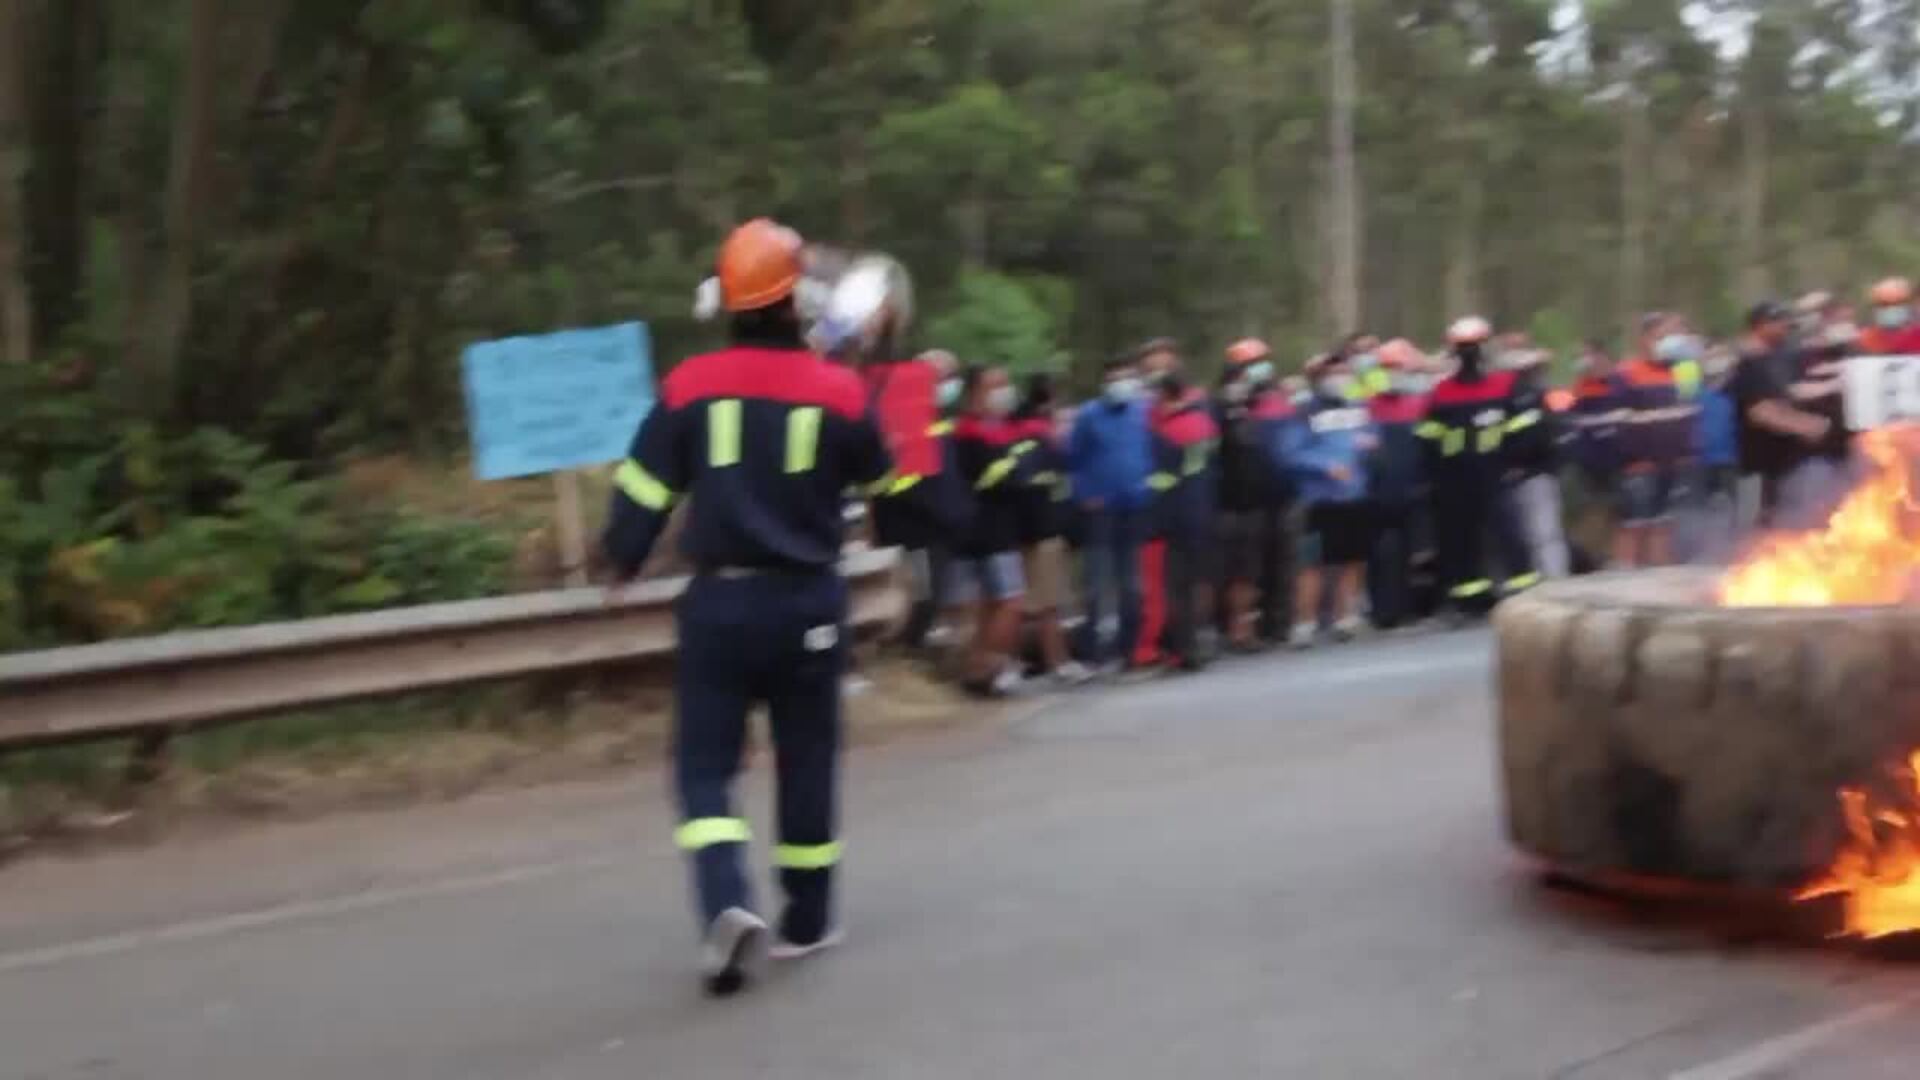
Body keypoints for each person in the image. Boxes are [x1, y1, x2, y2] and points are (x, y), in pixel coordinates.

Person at [602, 218, 891, 995]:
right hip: (809, 605)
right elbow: (883, 478)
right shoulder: (840, 389)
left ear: (723, 302)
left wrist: (621, 560)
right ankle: (807, 919)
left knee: (703, 769)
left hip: (720, 606)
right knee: (807, 760)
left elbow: (643, 492)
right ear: (798, 302)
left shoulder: (689, 385)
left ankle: (726, 902)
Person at [1416, 316, 1536, 619]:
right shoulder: (1441, 392)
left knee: (1509, 534)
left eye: (1474, 347)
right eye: (1463, 348)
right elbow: (1428, 438)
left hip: (1497, 474)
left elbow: (1525, 429)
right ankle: (1472, 598)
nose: (1470, 354)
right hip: (1455, 479)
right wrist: (1436, 475)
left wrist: (1516, 462)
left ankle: (1523, 589)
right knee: (1461, 541)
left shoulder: (1507, 385)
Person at [863, 348, 970, 648]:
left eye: (952, 376)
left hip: (936, 531)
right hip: (914, 534)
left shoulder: (934, 418)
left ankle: (911, 655)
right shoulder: (902, 420)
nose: (950, 384)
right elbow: (904, 484)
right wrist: (948, 514)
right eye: (944, 377)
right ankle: (903, 656)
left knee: (929, 599)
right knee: (918, 600)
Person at [949, 365, 1035, 697]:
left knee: (989, 604)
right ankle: (989, 664)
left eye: (1005, 384)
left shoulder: (993, 429)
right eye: (994, 386)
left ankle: (979, 670)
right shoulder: (971, 433)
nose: (1003, 392)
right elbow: (1000, 477)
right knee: (1009, 601)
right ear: (974, 392)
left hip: (992, 528)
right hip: (988, 530)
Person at [1281, 353, 1376, 645]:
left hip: (1355, 495)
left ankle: (1344, 617)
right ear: (1319, 378)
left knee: (1353, 559)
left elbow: (1372, 435)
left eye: (1344, 371)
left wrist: (1370, 443)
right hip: (1319, 500)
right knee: (1312, 563)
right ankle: (1305, 624)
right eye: (1333, 372)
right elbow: (1290, 453)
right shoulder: (1304, 412)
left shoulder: (1358, 407)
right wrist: (1325, 466)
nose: (1340, 378)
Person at [1068, 356, 1154, 672]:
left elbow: (1151, 452)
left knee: (1131, 582)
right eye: (1116, 379)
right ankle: (1093, 651)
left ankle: (1129, 650)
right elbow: (1074, 459)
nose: (1122, 385)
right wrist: (1084, 494)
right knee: (1096, 581)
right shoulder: (1089, 416)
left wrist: (1148, 487)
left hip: (1134, 504)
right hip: (1100, 508)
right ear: (1105, 383)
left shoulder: (1142, 412)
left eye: (1127, 378)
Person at [1213, 338, 1296, 650]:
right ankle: (1236, 628)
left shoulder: (1278, 400)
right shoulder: (1225, 410)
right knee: (1240, 569)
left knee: (1277, 563)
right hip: (1238, 501)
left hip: (1278, 496)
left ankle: (1276, 624)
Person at [1010, 373, 1091, 685]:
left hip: (1024, 527)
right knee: (1048, 603)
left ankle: (1019, 662)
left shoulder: (1016, 432)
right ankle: (1057, 661)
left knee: (1025, 602)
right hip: (1042, 527)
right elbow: (1059, 468)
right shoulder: (1041, 436)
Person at [1729, 301, 1837, 530]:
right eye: (1777, 322)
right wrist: (1805, 426)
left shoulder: (1783, 359)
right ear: (1759, 326)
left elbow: (1794, 393)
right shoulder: (1748, 363)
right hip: (1758, 464)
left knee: (1788, 520)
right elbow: (1760, 412)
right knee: (1760, 526)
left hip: (1787, 462)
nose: (1785, 327)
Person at [1137, 370, 1219, 670]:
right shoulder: (1204, 424)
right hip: (1204, 509)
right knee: (1200, 581)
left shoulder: (1168, 432)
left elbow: (1163, 479)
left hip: (1175, 515)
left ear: (1163, 397)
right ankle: (1200, 640)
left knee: (1176, 585)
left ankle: (1183, 649)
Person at [1609, 315, 1699, 567]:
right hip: (1639, 465)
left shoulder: (1684, 370)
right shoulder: (1626, 373)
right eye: (1661, 337)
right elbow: (1620, 422)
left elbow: (1689, 412)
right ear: (1645, 339)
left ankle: (1660, 577)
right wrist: (1633, 458)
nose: (1669, 342)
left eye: (1674, 336)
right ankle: (1623, 579)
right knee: (1633, 525)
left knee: (1664, 522)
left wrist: (1687, 451)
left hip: (1675, 462)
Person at [1364, 339, 1429, 628]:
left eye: (1397, 368)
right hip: (1377, 494)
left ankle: (1410, 607)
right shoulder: (1366, 405)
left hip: (1414, 489)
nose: (1393, 374)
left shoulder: (1419, 403)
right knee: (1383, 552)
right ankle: (1385, 611)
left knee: (1412, 552)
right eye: (1387, 368)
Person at [1502, 348, 1570, 579]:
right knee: (1541, 533)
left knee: (1541, 533)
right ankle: (1551, 579)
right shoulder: (1526, 396)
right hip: (1535, 472)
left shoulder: (1539, 396)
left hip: (1534, 472)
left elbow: (1549, 432)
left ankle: (1552, 580)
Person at [1859, 277, 1920, 355]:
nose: (1891, 309)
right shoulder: (1865, 340)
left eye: (1897, 304)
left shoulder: (1915, 336)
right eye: (1884, 305)